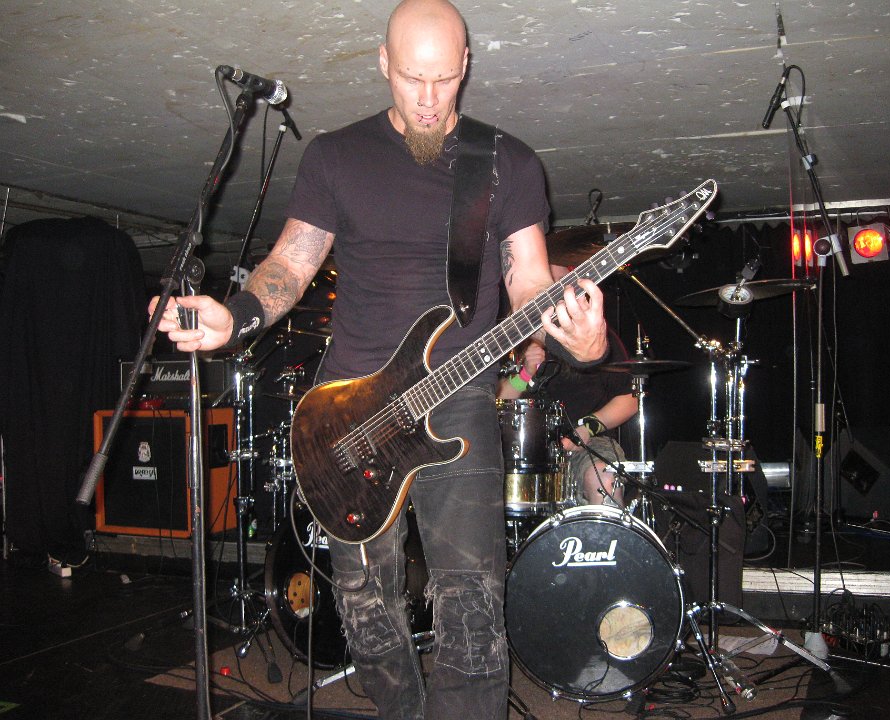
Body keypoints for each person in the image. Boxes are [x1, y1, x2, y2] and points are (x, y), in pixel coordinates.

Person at [150, 2, 608, 719]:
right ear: (382, 64)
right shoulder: (335, 156)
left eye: (444, 79)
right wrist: (234, 316)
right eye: (411, 78)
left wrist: (578, 335)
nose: (428, 98)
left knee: (472, 605)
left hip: (457, 399)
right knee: (365, 605)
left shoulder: (507, 162)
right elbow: (291, 266)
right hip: (348, 408)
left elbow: (526, 280)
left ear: (466, 66)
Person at [498, 270, 637, 506]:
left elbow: (631, 399)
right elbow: (495, 400)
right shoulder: (514, 338)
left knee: (603, 477)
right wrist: (525, 374)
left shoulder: (594, 334)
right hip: (522, 452)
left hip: (588, 444)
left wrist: (587, 428)